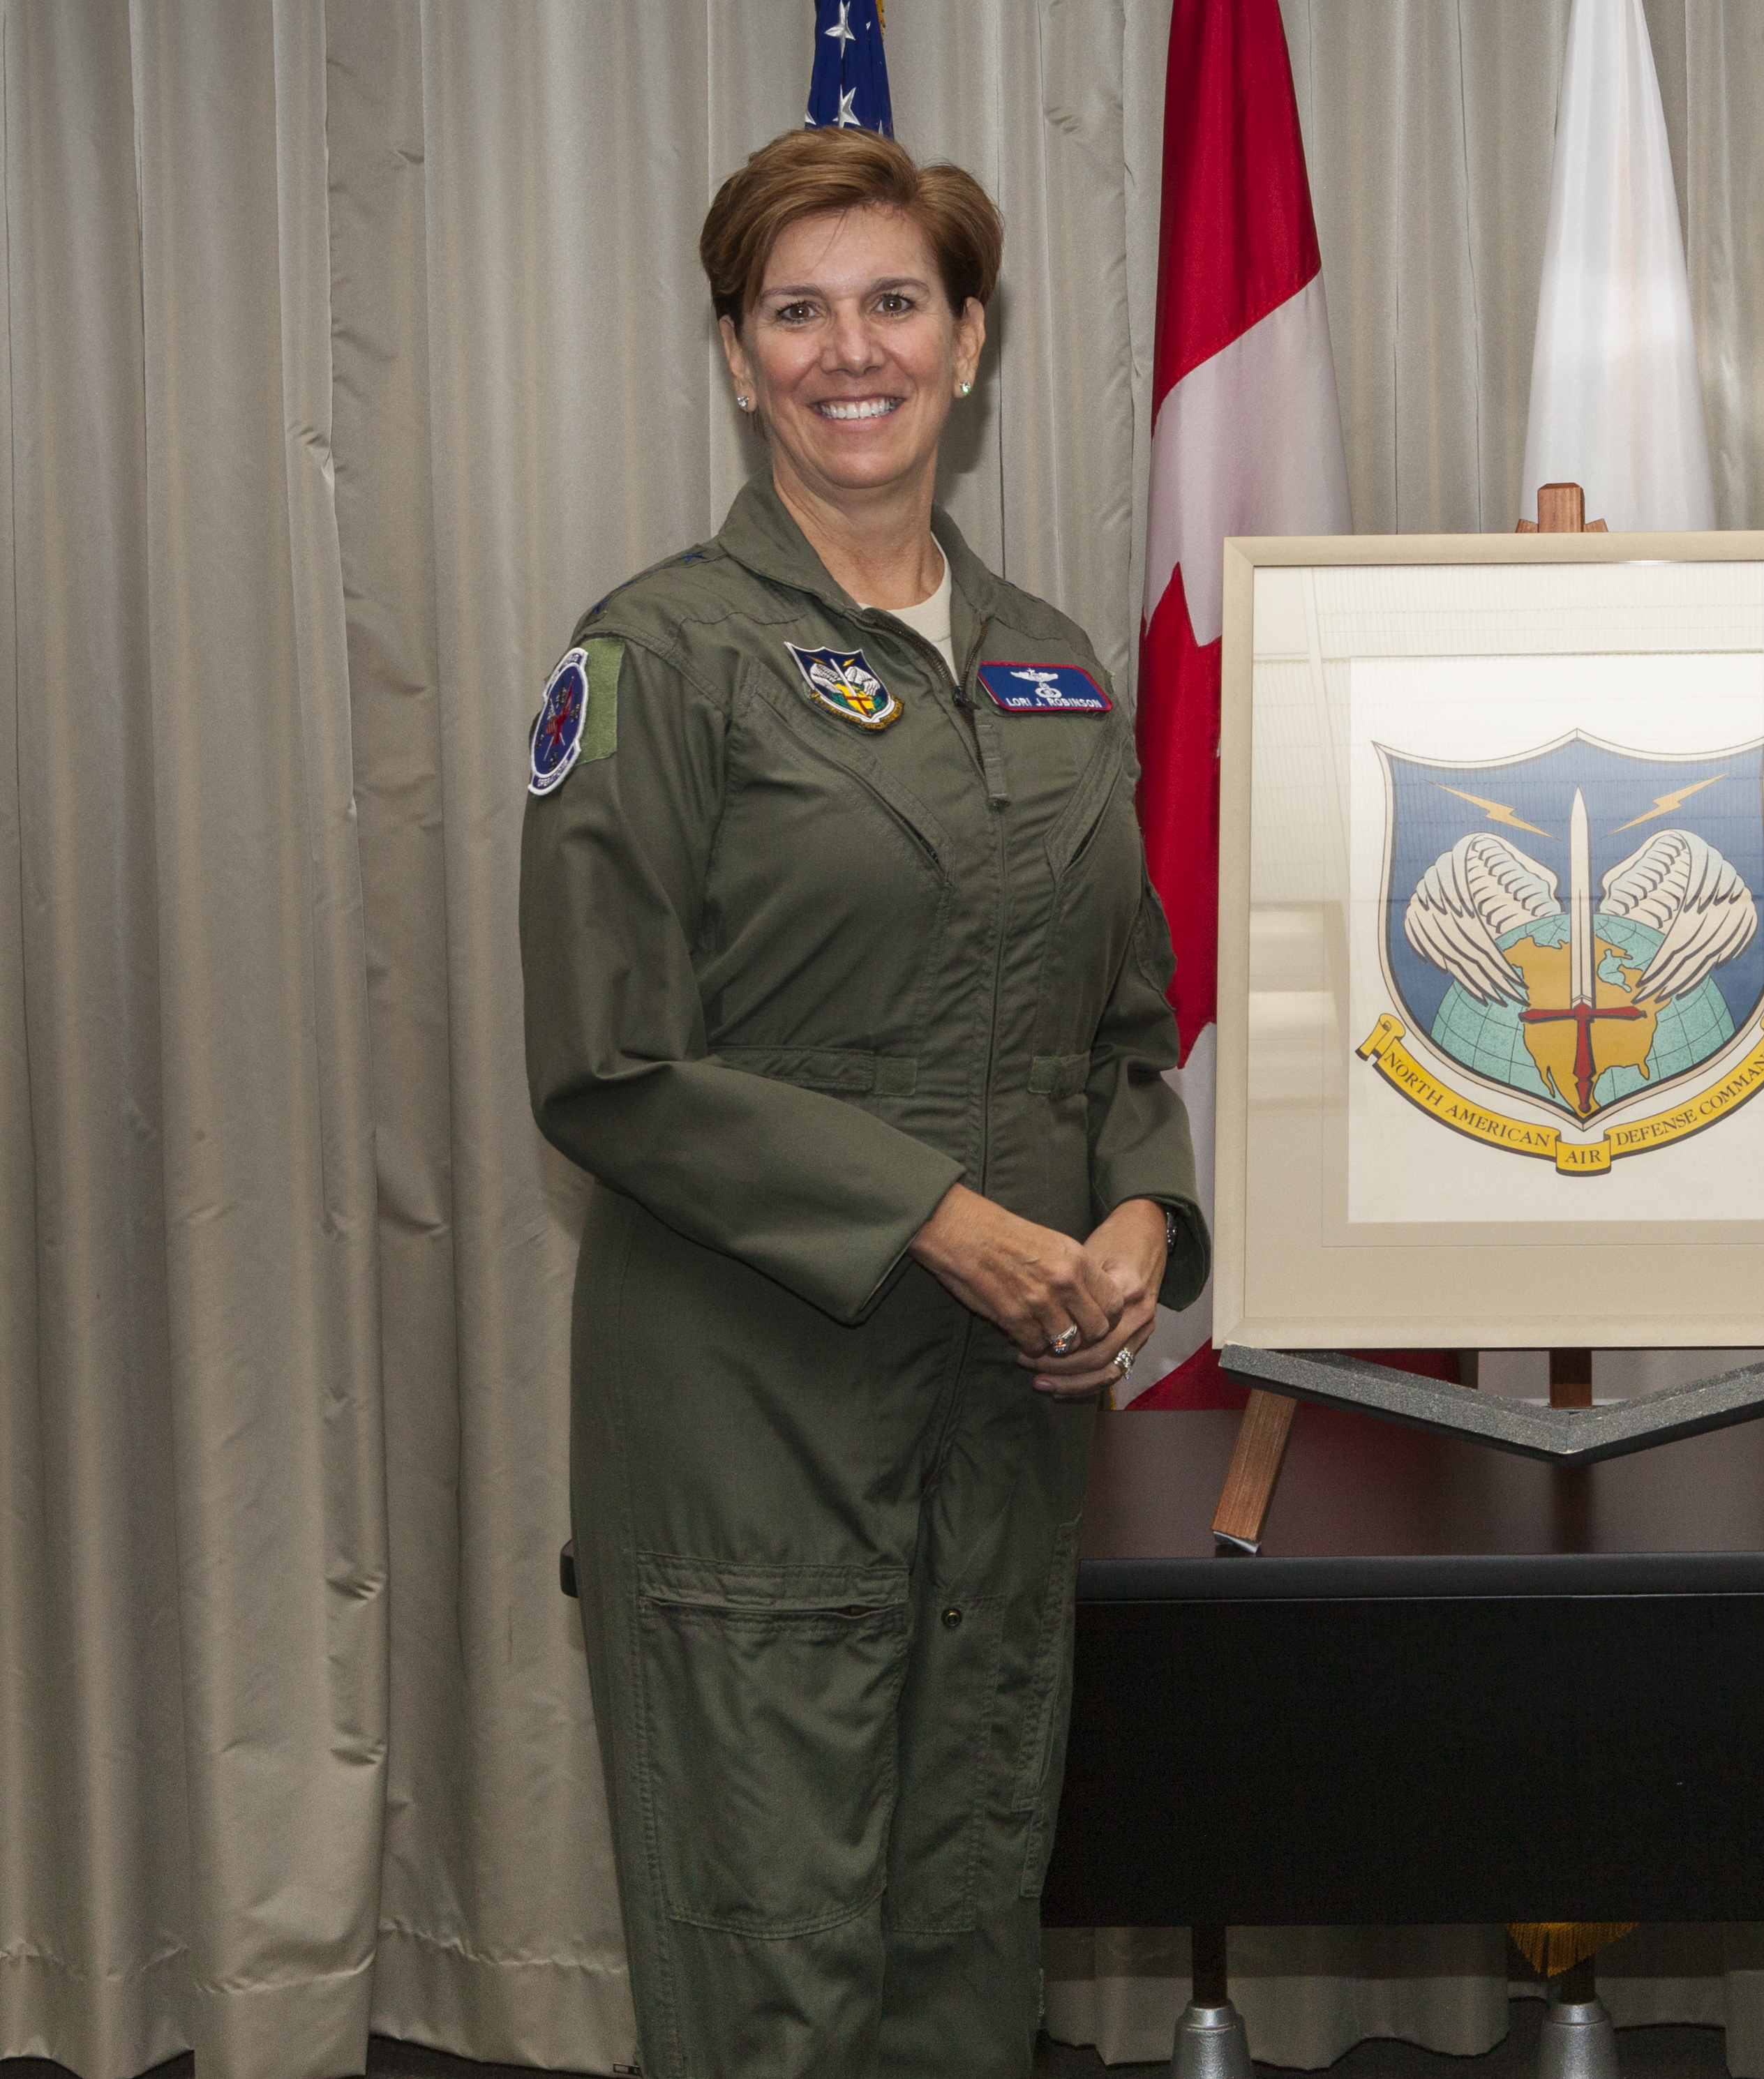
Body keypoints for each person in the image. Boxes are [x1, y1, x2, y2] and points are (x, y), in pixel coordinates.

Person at [518, 128, 1204, 2079]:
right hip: (753, 1407)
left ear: (967, 340)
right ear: (736, 356)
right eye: (794, 309)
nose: (851, 349)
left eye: (893, 301)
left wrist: (1141, 1216)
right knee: (777, 1963)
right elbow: (607, 1056)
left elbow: (1124, 1028)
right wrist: (941, 1217)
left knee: (962, 1934)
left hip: (1002, 1422)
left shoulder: (1053, 669)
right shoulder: (656, 656)